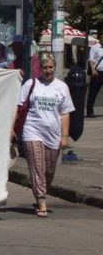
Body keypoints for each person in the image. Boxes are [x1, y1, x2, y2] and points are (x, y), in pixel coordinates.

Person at [16, 55, 74, 217]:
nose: (48, 71)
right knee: (38, 167)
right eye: (44, 68)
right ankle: (41, 201)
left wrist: (65, 136)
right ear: (39, 69)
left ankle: (39, 191)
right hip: (32, 131)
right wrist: (12, 129)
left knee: (49, 170)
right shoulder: (31, 84)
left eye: (50, 67)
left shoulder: (62, 87)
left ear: (54, 67)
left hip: (53, 134)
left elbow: (65, 113)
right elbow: (18, 107)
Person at [87, 38, 103, 118]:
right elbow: (91, 60)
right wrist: (93, 70)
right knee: (93, 92)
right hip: (97, 73)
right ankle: (90, 112)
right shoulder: (95, 47)